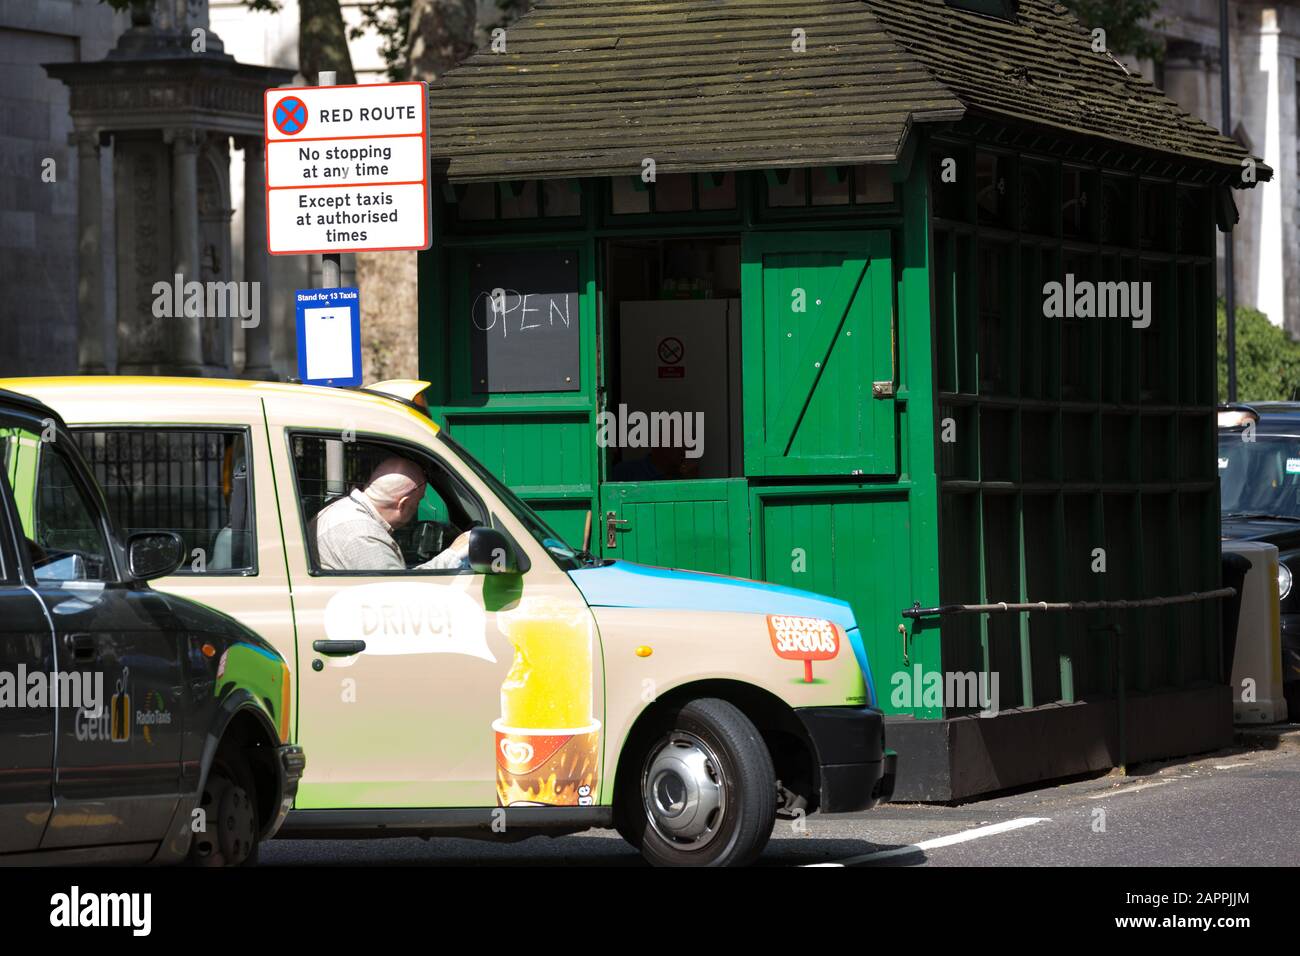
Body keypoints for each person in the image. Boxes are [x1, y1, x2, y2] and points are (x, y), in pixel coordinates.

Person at [309, 455, 472, 572]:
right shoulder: (364, 536)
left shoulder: (341, 509)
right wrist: (453, 555)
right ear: (404, 503)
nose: (418, 506)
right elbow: (398, 597)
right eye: (419, 500)